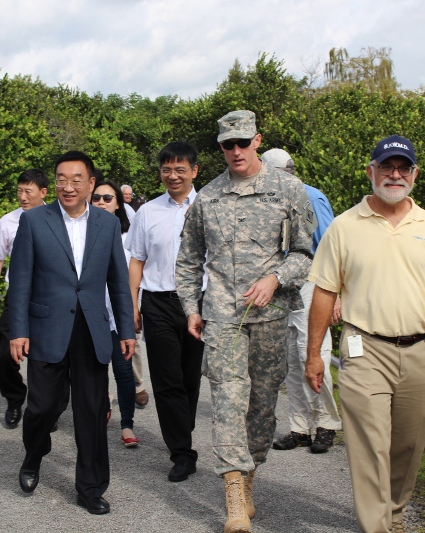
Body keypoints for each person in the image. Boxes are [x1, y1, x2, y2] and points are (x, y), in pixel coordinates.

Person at [305, 135, 425, 533]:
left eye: (403, 168)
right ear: (370, 172)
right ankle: (376, 526)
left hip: (422, 350)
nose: (395, 175)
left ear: (414, 174)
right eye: (387, 167)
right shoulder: (344, 227)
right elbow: (324, 292)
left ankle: (393, 514)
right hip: (365, 350)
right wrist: (314, 355)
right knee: (370, 445)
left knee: (408, 445)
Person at [175, 111, 316, 533]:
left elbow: (305, 255)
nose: (234, 151)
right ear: (220, 147)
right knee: (228, 402)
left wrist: (275, 280)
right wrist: (191, 308)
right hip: (221, 318)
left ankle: (249, 477)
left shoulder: (289, 189)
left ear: (257, 140)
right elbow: (188, 260)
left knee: (261, 409)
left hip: (270, 317)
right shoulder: (209, 198)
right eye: (226, 144)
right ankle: (233, 494)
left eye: (241, 142)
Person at [8, 151, 136, 515]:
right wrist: (18, 330)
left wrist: (125, 328)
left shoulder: (107, 224)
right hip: (47, 326)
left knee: (92, 411)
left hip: (92, 328)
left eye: (76, 179)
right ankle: (34, 454)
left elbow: (118, 281)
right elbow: (20, 281)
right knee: (42, 406)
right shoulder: (34, 221)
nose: (68, 186)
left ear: (90, 183)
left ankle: (90, 487)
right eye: (62, 178)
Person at [127, 141, 205, 482]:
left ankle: (181, 428)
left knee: (190, 377)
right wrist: (132, 303)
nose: (172, 176)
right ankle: (182, 451)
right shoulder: (147, 211)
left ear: (194, 171)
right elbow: (137, 260)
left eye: (180, 170)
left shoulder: (208, 205)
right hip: (157, 301)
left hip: (199, 303)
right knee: (166, 379)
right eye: (166, 170)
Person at [261, 148, 342, 454]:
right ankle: (299, 426)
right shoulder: (269, 198)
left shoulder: (310, 196)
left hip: (312, 284)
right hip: (281, 286)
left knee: (313, 352)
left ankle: (326, 423)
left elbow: (331, 247)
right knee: (291, 360)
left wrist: (336, 295)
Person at [0, 169, 48, 429]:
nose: (22, 196)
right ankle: (14, 398)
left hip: (47, 296)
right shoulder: (8, 221)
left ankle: (44, 407)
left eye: (28, 191)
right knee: (4, 356)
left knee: (46, 356)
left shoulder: (57, 218)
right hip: (18, 296)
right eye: (19, 191)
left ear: (43, 192)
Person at [90, 178, 139, 448]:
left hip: (118, 315)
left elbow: (133, 279)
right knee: (93, 371)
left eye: (108, 199)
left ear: (118, 204)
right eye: (96, 198)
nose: (101, 203)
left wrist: (134, 311)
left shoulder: (128, 238)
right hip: (92, 315)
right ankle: (99, 412)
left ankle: (127, 424)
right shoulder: (81, 234)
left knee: (123, 371)